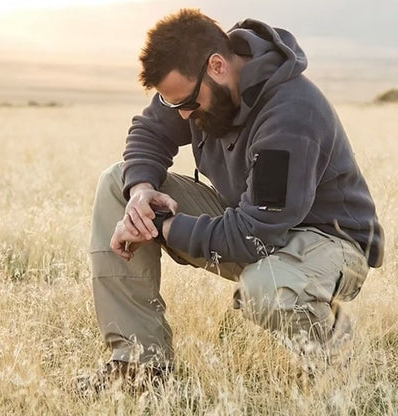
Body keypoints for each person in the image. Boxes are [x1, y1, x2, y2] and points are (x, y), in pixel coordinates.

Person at [86, 8, 384, 390]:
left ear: (217, 65)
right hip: (250, 218)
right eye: (175, 106)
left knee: (267, 287)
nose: (184, 115)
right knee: (118, 183)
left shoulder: (291, 114)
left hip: (331, 240)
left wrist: (159, 226)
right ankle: (141, 368)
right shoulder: (192, 83)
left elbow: (251, 237)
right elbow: (149, 129)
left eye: (188, 104)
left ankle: (341, 369)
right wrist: (141, 193)